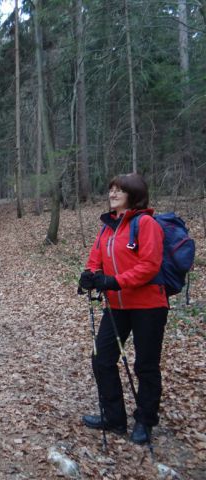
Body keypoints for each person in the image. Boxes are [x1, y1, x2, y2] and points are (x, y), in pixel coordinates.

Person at [78, 173, 167, 445]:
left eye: (120, 190)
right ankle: (114, 417)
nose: (113, 194)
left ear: (134, 194)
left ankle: (145, 421)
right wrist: (90, 276)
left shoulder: (146, 224)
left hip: (148, 305)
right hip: (116, 305)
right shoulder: (108, 226)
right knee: (101, 359)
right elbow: (95, 259)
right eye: (111, 189)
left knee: (145, 365)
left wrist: (114, 281)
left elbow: (149, 266)